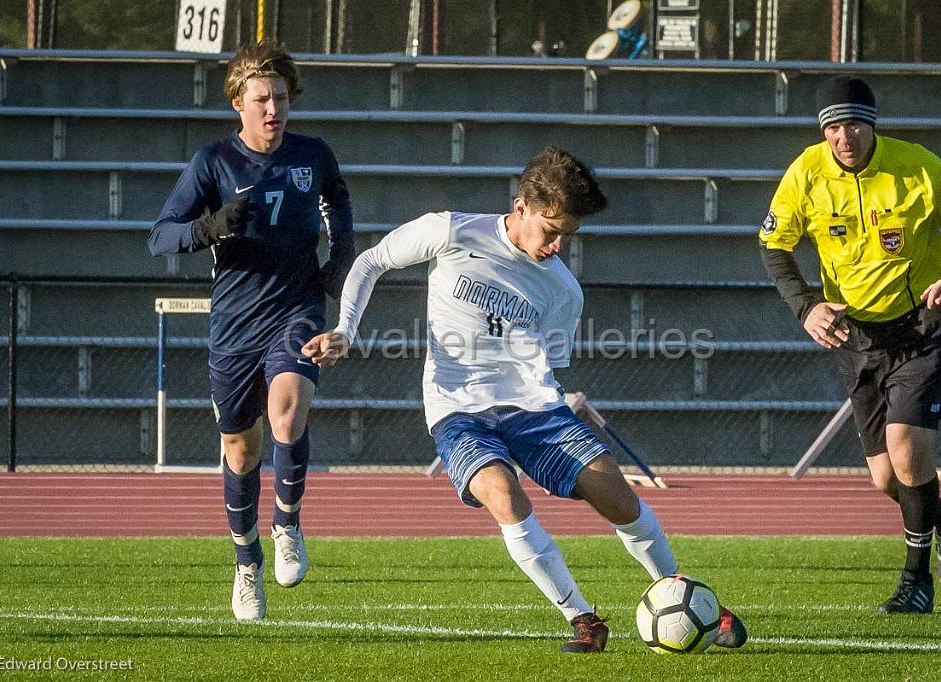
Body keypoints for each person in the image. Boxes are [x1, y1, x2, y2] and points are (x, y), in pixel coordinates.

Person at [302, 147, 747, 652]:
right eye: (551, 230)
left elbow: (549, 364)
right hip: (457, 408)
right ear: (521, 208)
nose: (558, 245)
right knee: (503, 494)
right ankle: (583, 618)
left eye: (568, 236)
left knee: (618, 498)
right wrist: (344, 330)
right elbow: (371, 261)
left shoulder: (565, 291)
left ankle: (680, 590)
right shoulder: (452, 231)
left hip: (535, 409)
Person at [759, 75, 941, 614]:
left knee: (907, 448)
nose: (844, 137)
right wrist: (806, 306)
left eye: (854, 124)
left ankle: (916, 582)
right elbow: (774, 243)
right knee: (886, 477)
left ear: (872, 125)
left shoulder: (915, 164)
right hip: (856, 336)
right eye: (834, 127)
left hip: (922, 328)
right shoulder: (806, 173)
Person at [148, 41, 355, 620]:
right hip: (235, 323)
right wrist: (210, 227)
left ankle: (287, 523)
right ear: (238, 103)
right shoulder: (212, 162)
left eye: (281, 98)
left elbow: (337, 201)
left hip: (297, 309)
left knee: (288, 412)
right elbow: (160, 235)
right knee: (240, 451)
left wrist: (342, 259)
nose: (273, 109)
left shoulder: (314, 155)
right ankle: (246, 563)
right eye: (262, 99)